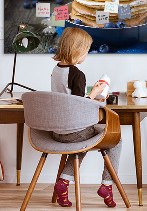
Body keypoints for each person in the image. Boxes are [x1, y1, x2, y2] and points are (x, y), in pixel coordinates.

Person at [51, 27, 121, 208]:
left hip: (57, 131)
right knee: (116, 139)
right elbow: (79, 106)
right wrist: (96, 93)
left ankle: (63, 183)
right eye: (86, 51)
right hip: (74, 131)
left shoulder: (56, 70)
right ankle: (107, 185)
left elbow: (68, 99)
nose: (86, 55)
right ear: (78, 50)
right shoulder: (77, 74)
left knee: (81, 143)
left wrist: (90, 94)